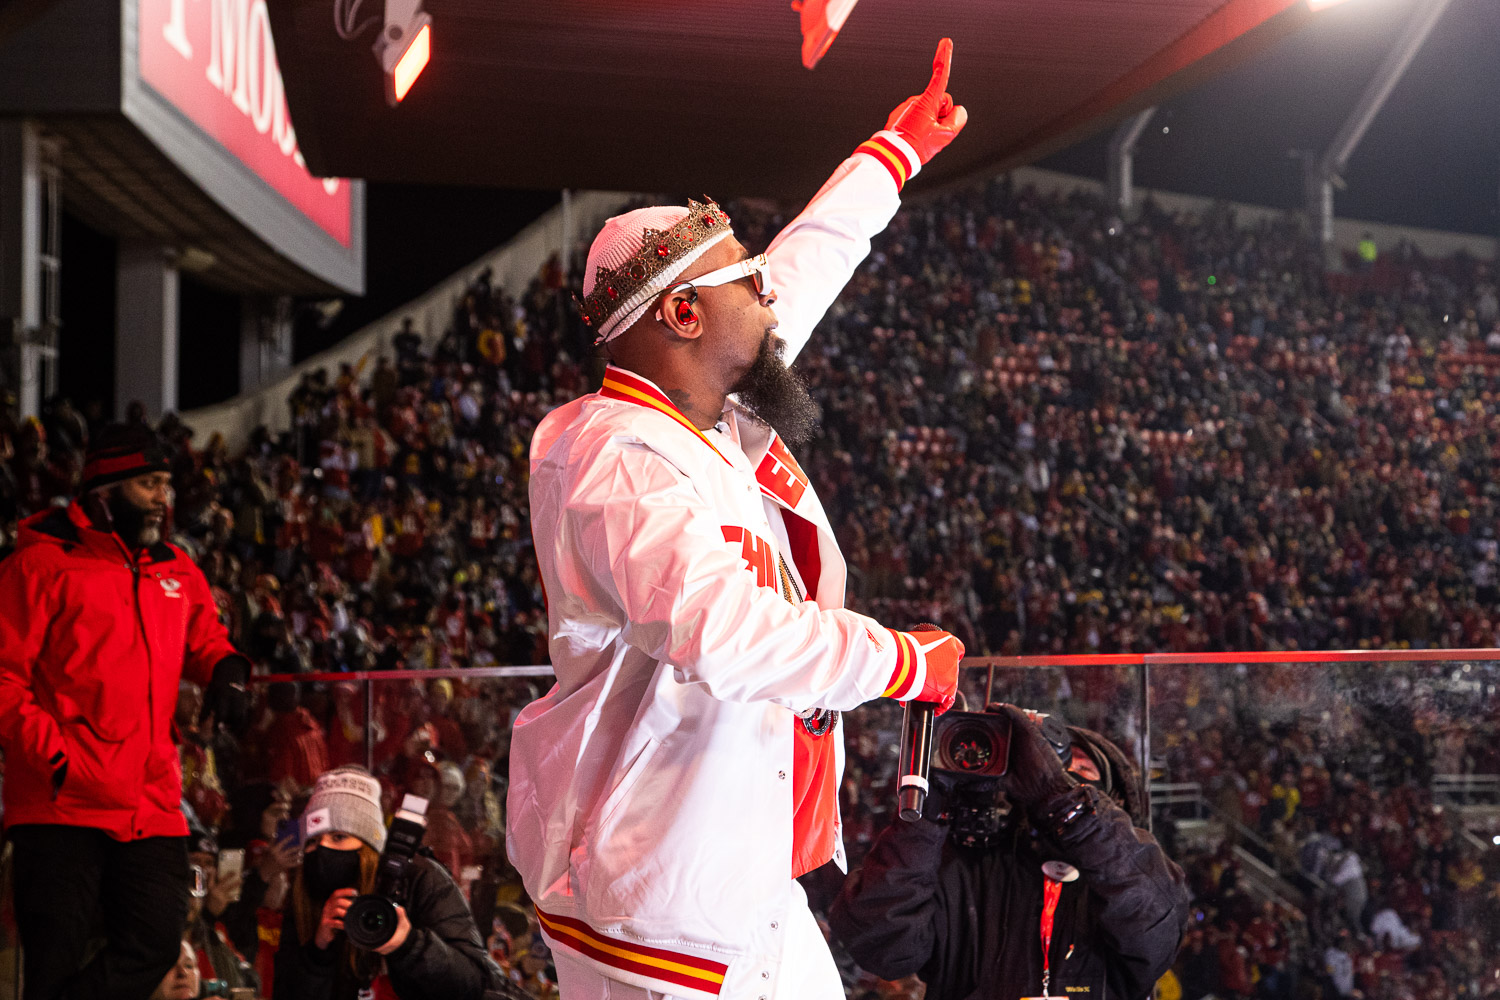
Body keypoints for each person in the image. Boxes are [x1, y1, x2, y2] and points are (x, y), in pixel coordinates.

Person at [507, 39, 969, 1000]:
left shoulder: (710, 418)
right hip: (655, 910)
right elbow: (719, 630)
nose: (767, 295)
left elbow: (803, 273)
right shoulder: (617, 456)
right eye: (745, 281)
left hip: (736, 877)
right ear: (683, 315)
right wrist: (898, 661)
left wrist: (891, 157)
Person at [0, 423, 250, 1000]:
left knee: (157, 941)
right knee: (53, 964)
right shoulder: (40, 564)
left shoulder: (175, 568)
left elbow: (206, 638)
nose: (163, 497)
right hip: (61, 802)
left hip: (150, 799)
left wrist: (227, 669)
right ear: (104, 490)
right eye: (148, 484)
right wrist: (57, 759)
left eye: (165, 483)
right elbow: (5, 679)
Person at [830, 705, 1190, 1000]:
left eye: (1081, 770)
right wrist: (925, 817)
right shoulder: (970, 866)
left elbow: (1155, 927)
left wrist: (1062, 799)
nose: (1066, 777)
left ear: (1116, 798)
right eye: (1054, 768)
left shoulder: (1135, 875)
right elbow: (882, 945)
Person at [274, 765, 504, 1000]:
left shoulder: (418, 879)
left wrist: (409, 944)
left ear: (369, 844)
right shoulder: (305, 893)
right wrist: (318, 950)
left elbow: (472, 984)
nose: (323, 848)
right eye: (313, 841)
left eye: (339, 837)